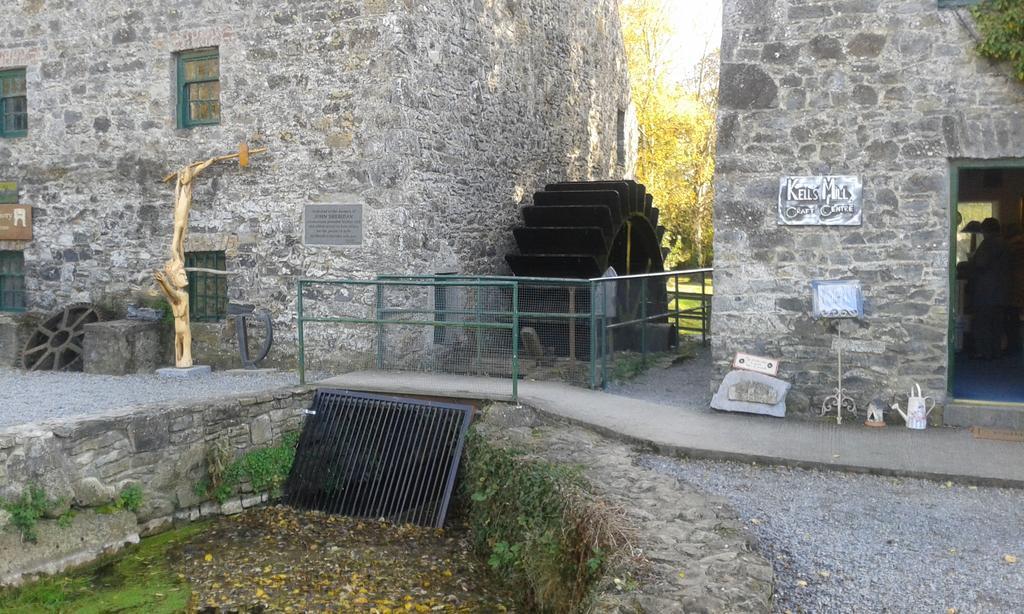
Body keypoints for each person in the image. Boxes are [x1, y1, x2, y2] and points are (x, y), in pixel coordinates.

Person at [968, 218, 1010, 360]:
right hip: (1001, 289)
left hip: (985, 290)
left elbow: (981, 263)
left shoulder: (988, 244)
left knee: (983, 323)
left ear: (985, 230)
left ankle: (983, 352)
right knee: (997, 324)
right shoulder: (1004, 244)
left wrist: (972, 259)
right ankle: (995, 351)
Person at [1005, 223, 1024, 355]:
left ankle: (1013, 344)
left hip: (1013, 283)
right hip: (1019, 282)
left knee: (1011, 317)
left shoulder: (1010, 247)